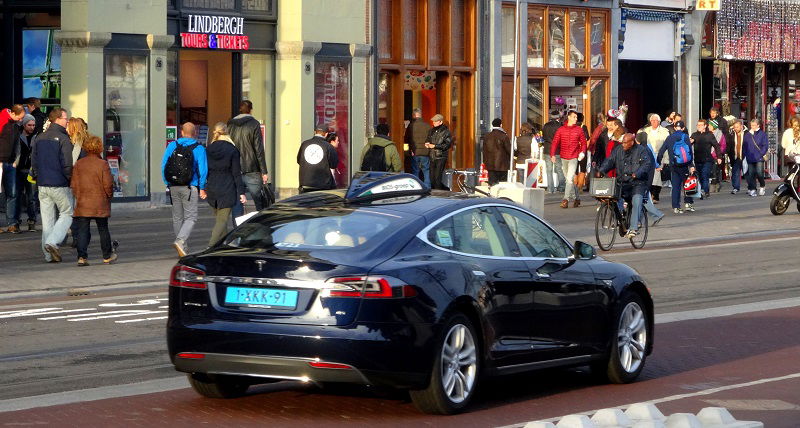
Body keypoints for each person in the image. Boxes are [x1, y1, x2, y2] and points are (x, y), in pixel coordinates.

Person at [30, 107, 74, 262]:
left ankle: (48, 255)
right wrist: (70, 180)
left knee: (47, 220)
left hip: (42, 184)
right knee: (67, 213)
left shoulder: (40, 137)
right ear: (57, 119)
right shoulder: (64, 139)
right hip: (59, 183)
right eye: (65, 118)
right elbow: (67, 164)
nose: (67, 121)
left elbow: (34, 161)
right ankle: (52, 242)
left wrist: (37, 176)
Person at [161, 122, 208, 257]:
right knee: (191, 217)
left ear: (181, 132)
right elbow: (203, 170)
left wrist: (167, 182)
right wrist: (202, 187)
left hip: (173, 186)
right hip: (190, 186)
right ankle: (180, 241)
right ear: (195, 133)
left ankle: (183, 247)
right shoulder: (199, 148)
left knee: (177, 217)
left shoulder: (172, 145)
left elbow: (164, 165)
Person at [70, 135, 116, 266]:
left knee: (83, 230)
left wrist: (79, 196)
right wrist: (108, 196)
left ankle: (82, 257)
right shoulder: (102, 164)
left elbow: (74, 184)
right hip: (99, 201)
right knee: (103, 229)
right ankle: (107, 256)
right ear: (99, 148)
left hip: (83, 201)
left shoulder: (79, 164)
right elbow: (108, 184)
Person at [598, 133, 653, 238]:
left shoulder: (641, 150)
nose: (622, 144)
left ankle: (633, 228)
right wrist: (602, 170)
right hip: (622, 182)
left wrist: (637, 173)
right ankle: (620, 218)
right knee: (611, 197)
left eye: (625, 142)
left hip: (638, 183)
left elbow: (646, 164)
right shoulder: (618, 150)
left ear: (632, 143)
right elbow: (610, 160)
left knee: (637, 200)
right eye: (622, 142)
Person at [202, 122, 246, 247]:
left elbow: (205, 170)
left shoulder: (208, 149)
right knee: (222, 221)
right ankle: (210, 247)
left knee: (220, 221)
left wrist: (203, 188)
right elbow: (236, 173)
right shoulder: (232, 149)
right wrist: (241, 192)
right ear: (227, 132)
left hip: (212, 188)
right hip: (227, 188)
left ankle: (226, 245)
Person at [227, 100, 269, 219]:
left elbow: (227, 144)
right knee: (259, 201)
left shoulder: (230, 124)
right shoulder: (254, 123)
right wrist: (264, 171)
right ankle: (261, 225)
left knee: (237, 200)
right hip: (252, 167)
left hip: (234, 168)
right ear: (251, 109)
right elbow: (258, 148)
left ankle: (238, 228)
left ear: (240, 109)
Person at [657, 120, 696, 213]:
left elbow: (661, 151)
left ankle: (676, 206)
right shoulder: (686, 137)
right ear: (683, 128)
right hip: (685, 165)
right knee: (688, 184)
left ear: (674, 128)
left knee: (676, 186)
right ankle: (688, 204)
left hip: (674, 165)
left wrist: (658, 163)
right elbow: (689, 152)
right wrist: (691, 165)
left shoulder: (669, 138)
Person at [550, 110, 587, 208]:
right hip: (563, 157)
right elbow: (555, 142)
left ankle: (565, 199)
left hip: (574, 157)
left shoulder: (579, 130)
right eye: (574, 117)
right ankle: (576, 198)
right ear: (569, 117)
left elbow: (583, 143)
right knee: (568, 179)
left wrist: (582, 152)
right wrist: (552, 154)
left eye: (576, 117)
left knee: (569, 179)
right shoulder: (561, 129)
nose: (576, 119)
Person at [12, 114, 38, 232]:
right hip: (18, 170)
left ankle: (32, 221)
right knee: (17, 196)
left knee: (31, 198)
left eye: (33, 125)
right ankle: (16, 221)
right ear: (24, 125)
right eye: (29, 125)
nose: (32, 127)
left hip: (31, 171)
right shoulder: (18, 136)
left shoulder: (37, 137)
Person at [297, 123, 338, 193]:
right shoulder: (328, 146)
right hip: (322, 186)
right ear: (326, 134)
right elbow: (334, 165)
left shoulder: (304, 144)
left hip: (305, 184)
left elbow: (299, 160)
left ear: (315, 132)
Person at [640, 114, 670, 203]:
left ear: (659, 121)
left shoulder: (665, 131)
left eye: (655, 120)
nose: (653, 122)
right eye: (652, 120)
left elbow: (667, 146)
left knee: (657, 177)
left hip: (659, 155)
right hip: (647, 155)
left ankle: (655, 195)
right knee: (649, 176)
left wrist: (666, 159)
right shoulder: (646, 130)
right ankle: (648, 195)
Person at [689, 119, 721, 198]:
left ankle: (704, 191)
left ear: (705, 126)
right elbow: (688, 145)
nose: (698, 126)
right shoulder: (694, 135)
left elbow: (716, 146)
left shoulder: (709, 135)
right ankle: (703, 190)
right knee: (699, 176)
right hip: (697, 159)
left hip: (707, 160)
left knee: (704, 174)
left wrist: (719, 157)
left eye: (700, 125)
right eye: (698, 125)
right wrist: (690, 141)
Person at [424, 114, 452, 190]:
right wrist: (427, 143)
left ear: (440, 122)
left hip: (441, 157)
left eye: (435, 121)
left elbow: (447, 145)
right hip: (432, 156)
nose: (433, 122)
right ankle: (442, 190)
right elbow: (428, 139)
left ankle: (439, 194)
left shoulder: (446, 132)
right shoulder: (431, 130)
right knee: (432, 178)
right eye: (433, 121)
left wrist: (435, 146)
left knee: (437, 177)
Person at [743, 118, 768, 197]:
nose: (752, 127)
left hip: (759, 157)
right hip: (750, 157)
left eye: (754, 125)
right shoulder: (747, 135)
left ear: (758, 125)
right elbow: (744, 146)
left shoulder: (762, 134)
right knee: (751, 174)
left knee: (759, 173)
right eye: (751, 125)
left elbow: (765, 146)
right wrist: (746, 154)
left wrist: (761, 153)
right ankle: (753, 189)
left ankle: (762, 185)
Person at [405, 108, 431, 186]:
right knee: (426, 171)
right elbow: (431, 138)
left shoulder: (411, 126)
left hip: (415, 152)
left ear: (414, 115)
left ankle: (416, 187)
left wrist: (409, 150)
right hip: (425, 152)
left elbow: (406, 138)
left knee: (415, 171)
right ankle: (427, 187)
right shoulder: (427, 125)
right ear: (420, 115)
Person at [482, 118, 511, 186]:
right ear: (501, 125)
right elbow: (509, 150)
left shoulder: (487, 136)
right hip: (502, 166)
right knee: (502, 186)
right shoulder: (504, 136)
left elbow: (484, 150)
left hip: (490, 166)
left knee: (492, 185)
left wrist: (485, 163)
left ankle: (492, 196)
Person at [541, 110, 565, 193]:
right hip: (557, 150)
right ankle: (562, 186)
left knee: (549, 170)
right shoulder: (560, 126)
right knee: (559, 169)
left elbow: (543, 137)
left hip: (547, 149)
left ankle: (550, 188)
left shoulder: (545, 126)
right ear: (558, 117)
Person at [708, 119, 727, 193]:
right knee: (711, 171)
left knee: (715, 171)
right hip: (708, 155)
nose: (708, 126)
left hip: (716, 155)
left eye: (710, 125)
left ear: (714, 126)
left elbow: (723, 145)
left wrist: (718, 153)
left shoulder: (720, 134)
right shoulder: (708, 134)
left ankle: (714, 185)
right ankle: (717, 183)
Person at [727, 119, 746, 194]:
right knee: (735, 172)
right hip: (736, 157)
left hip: (745, 156)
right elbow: (729, 145)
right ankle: (736, 187)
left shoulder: (746, 134)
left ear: (741, 126)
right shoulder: (731, 135)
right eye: (734, 127)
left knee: (748, 173)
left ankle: (751, 187)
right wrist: (728, 153)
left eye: (737, 127)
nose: (735, 129)